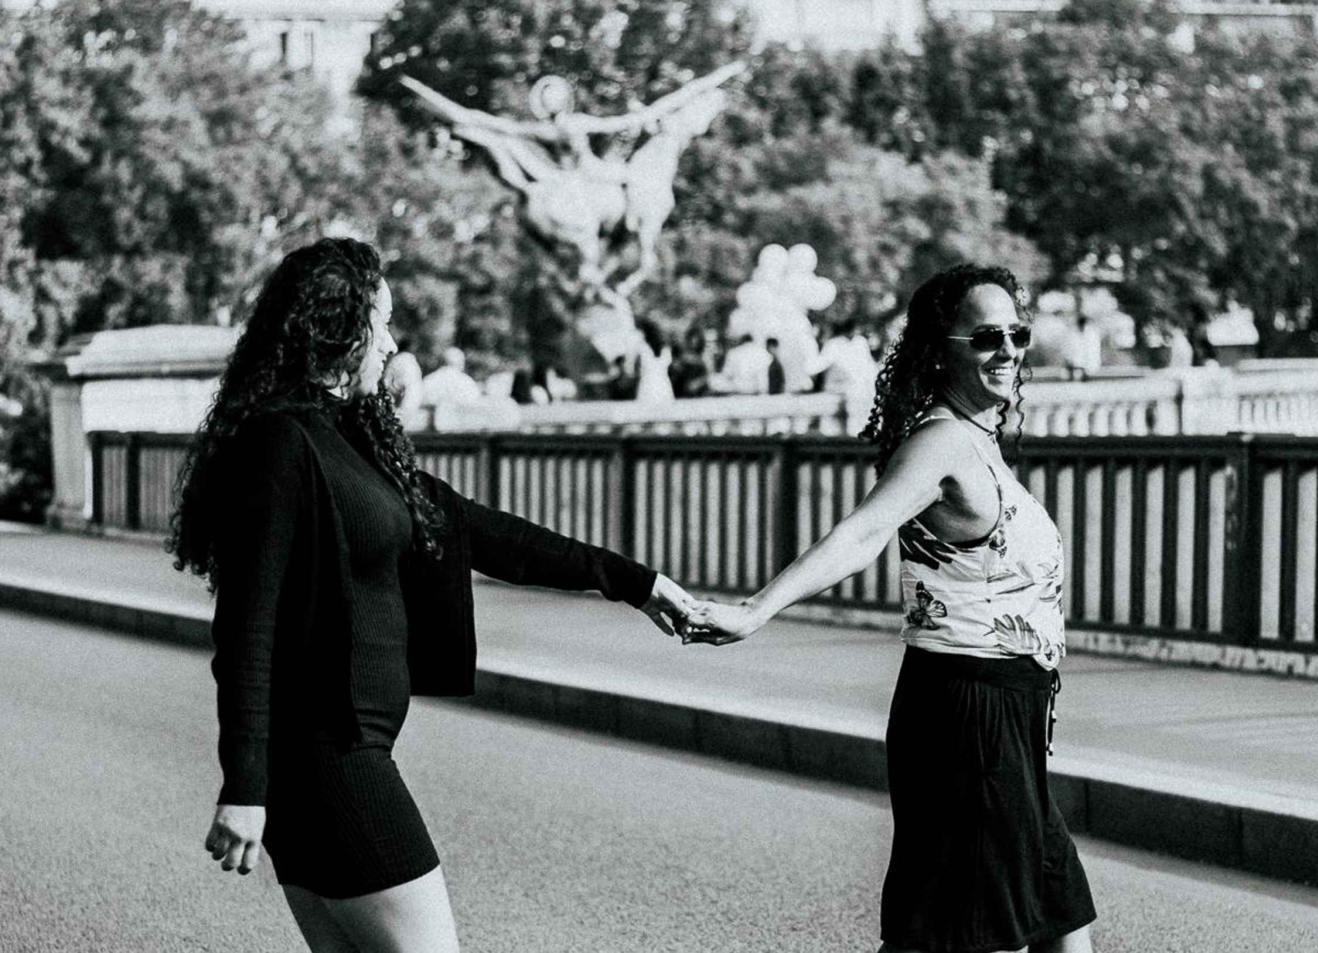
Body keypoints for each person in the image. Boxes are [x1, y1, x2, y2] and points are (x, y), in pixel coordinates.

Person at [168, 238, 700, 953]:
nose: (392, 342)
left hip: (339, 757)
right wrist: (244, 786)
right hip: (329, 760)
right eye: (380, 322)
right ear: (337, 326)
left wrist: (637, 582)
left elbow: (487, 533)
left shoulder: (350, 437)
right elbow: (246, 629)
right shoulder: (282, 444)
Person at [684, 264, 1096, 953]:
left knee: (1060, 920)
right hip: (968, 712)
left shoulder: (976, 437)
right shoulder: (941, 442)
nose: (1009, 350)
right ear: (941, 350)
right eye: (988, 337)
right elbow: (861, 532)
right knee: (979, 934)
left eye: (1016, 333)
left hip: (1009, 713)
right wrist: (756, 609)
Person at [635, 320, 676, 404]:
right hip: (663, 384)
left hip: (647, 384)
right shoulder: (666, 348)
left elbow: (636, 370)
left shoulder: (642, 348)